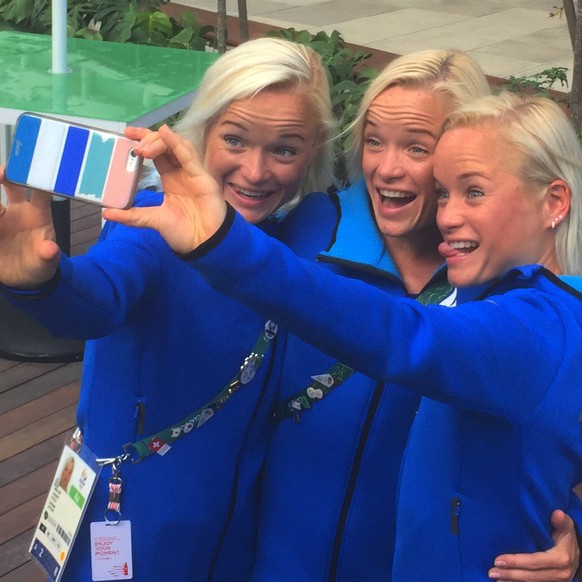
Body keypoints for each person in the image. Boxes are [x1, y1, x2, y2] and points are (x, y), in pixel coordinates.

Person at [103, 91, 582, 580]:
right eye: (443, 192)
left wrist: (223, 243)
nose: (447, 216)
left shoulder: (533, 327)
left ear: (554, 202)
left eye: (474, 192)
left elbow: (403, 334)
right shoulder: (529, 304)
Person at [0, 37, 335, 581]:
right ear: (201, 133)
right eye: (235, 139)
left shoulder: (303, 233)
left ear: (314, 150)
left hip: (237, 526)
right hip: (136, 520)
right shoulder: (153, 223)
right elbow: (98, 298)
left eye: (284, 150)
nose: (255, 170)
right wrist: (41, 283)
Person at [250, 48, 582, 582]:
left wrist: (575, 534)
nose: (387, 167)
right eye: (374, 140)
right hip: (278, 562)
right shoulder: (313, 227)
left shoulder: (502, 296)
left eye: (417, 147)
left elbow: (554, 434)